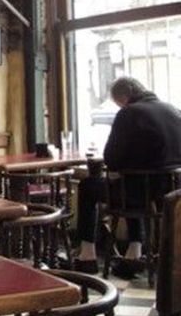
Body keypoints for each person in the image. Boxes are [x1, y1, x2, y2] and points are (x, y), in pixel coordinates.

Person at [74, 76, 181, 277]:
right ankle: (134, 254)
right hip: (172, 191)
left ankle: (87, 256)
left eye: (118, 102)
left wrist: (120, 166)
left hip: (138, 192)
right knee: (130, 183)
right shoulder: (173, 110)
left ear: (124, 97)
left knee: (89, 186)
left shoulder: (129, 113)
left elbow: (111, 158)